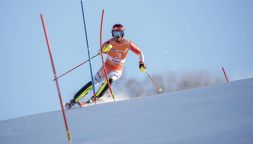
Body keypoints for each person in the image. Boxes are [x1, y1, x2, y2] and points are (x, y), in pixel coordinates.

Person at [65, 24, 146, 109]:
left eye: (119, 33)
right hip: (107, 66)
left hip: (117, 68)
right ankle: (73, 101)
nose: (117, 36)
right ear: (112, 34)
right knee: (93, 83)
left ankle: (94, 99)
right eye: (115, 34)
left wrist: (141, 62)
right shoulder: (110, 42)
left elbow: (139, 52)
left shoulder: (127, 43)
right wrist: (104, 49)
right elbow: (100, 51)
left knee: (110, 79)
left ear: (122, 34)